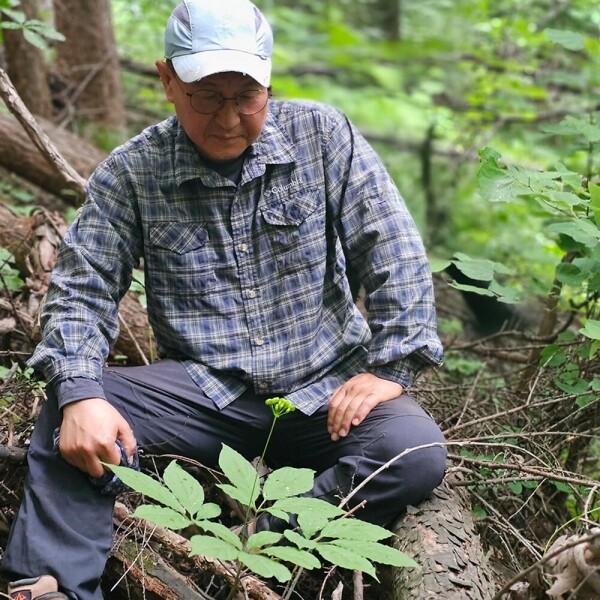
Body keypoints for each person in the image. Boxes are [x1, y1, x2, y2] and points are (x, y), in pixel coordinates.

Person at [2, 0, 447, 597]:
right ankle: (53, 582)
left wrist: (392, 367)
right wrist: (80, 390)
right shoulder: (134, 172)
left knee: (412, 452)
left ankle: (265, 548)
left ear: (267, 79)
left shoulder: (322, 136)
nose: (230, 117)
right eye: (207, 96)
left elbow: (391, 248)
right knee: (74, 408)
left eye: (247, 96)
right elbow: (81, 292)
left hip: (325, 391)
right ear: (167, 80)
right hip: (205, 395)